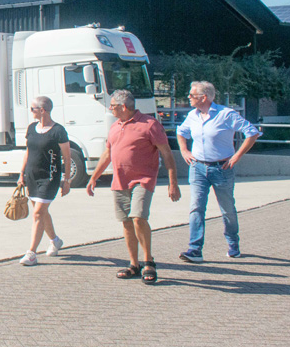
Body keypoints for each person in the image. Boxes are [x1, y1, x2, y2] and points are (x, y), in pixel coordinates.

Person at [86, 89, 180, 284]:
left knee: (138, 218)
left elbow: (167, 153)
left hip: (143, 180)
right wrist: (94, 177)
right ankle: (134, 264)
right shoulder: (115, 126)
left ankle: (148, 262)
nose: (110, 108)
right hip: (120, 181)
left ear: (123, 107)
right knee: (127, 222)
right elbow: (107, 154)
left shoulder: (149, 124)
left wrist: (173, 183)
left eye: (113, 105)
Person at [177, 81, 260, 262]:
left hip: (222, 168)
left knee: (227, 209)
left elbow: (252, 132)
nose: (188, 97)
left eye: (192, 95)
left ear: (203, 97)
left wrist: (237, 156)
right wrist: (184, 150)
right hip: (197, 167)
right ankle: (195, 249)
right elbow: (181, 132)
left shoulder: (226, 114)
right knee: (196, 207)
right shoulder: (192, 115)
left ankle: (233, 243)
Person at [16, 96, 72, 266]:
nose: (31, 112)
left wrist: (67, 180)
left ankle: (31, 253)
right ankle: (55, 241)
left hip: (49, 177)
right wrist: (21, 174)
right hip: (32, 176)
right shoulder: (31, 128)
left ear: (42, 110)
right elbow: (28, 152)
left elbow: (67, 158)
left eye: (32, 109)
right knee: (41, 212)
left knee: (38, 213)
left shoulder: (58, 131)